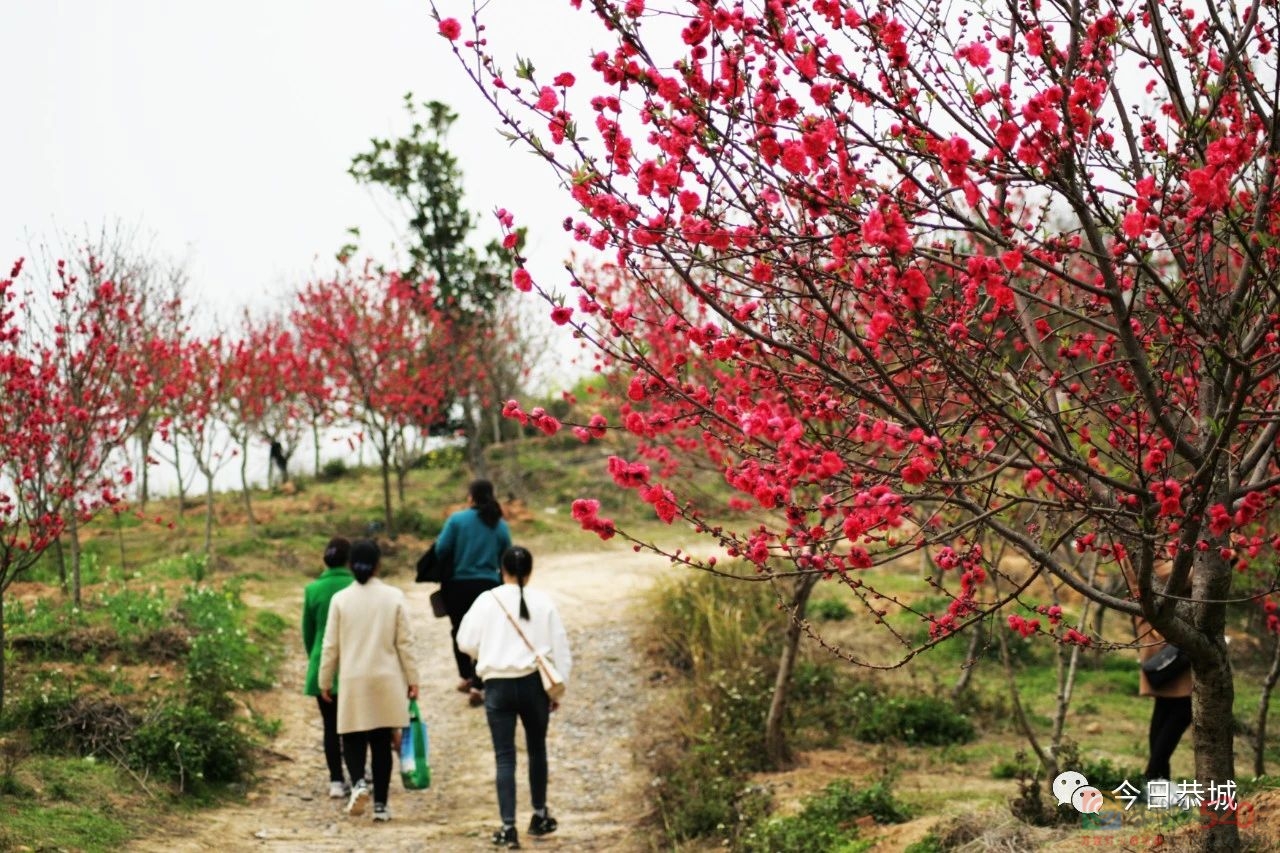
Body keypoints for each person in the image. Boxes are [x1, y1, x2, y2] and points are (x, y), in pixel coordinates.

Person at [457, 545, 572, 849]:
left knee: (504, 756)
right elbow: (560, 647)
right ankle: (539, 815)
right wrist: (558, 686)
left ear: (502, 569)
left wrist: (488, 650)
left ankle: (508, 828)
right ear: (530, 571)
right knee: (537, 750)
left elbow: (465, 641)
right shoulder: (544, 602)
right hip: (534, 685)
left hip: (498, 686)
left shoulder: (486, 600)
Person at [318, 539, 420, 822]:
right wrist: (413, 679)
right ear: (378, 565)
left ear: (350, 565)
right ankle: (381, 806)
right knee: (380, 742)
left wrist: (324, 679)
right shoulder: (394, 596)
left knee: (351, 737)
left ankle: (359, 784)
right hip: (386, 679)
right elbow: (406, 643)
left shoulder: (341, 599)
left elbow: (330, 646)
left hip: (352, 680)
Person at [436, 479, 512, 705]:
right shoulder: (499, 524)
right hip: (488, 587)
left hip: (457, 586)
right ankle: (478, 685)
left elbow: (441, 549)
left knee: (459, 630)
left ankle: (466, 676)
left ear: (471, 497)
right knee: (486, 634)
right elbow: (506, 555)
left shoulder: (457, 520)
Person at [1127, 559, 1193, 784]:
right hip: (1162, 634)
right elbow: (1169, 577)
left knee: (1167, 706)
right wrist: (1220, 559)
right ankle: (1153, 775)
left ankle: (1158, 778)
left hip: (1168, 629)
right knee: (1184, 706)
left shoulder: (1162, 543)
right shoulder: (1141, 542)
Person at [302, 536, 356, 799]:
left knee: (330, 725)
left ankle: (336, 780)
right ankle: (359, 774)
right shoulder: (356, 585)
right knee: (356, 725)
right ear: (349, 561)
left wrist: (316, 659)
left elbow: (308, 634)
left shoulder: (312, 590)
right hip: (354, 665)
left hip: (322, 665)